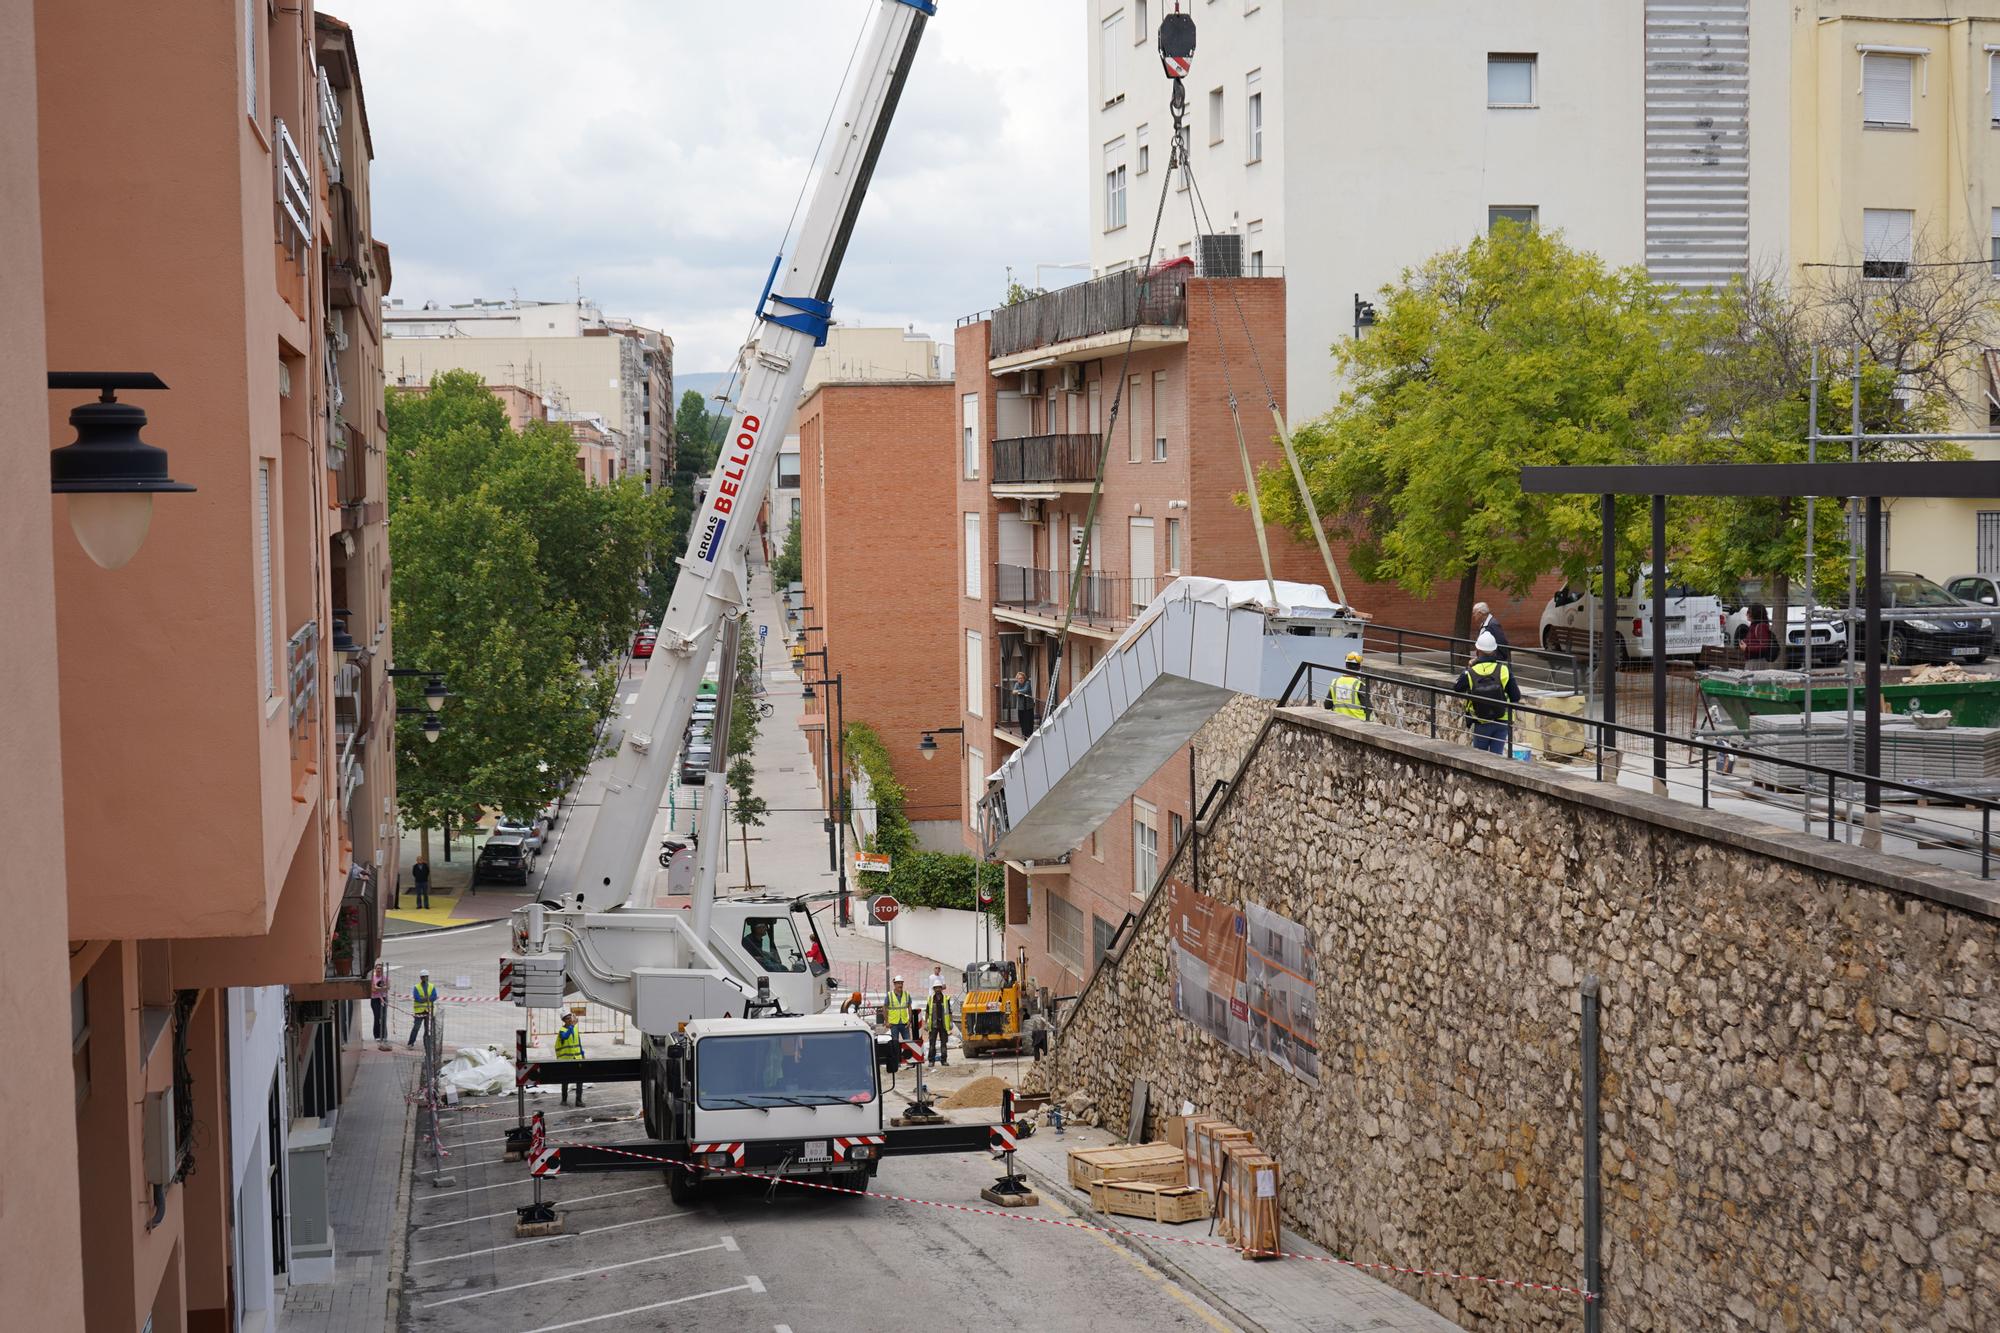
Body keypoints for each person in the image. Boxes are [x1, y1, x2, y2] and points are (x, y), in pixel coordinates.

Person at [1455, 632, 1522, 755]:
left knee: (1480, 758)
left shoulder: (1471, 672)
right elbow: (1516, 696)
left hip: (1481, 720)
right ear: (1494, 650)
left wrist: (1467, 668)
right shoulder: (1504, 670)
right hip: (1502, 720)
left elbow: (1457, 688)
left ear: (1477, 650)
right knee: (1496, 758)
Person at [1324, 650, 1372, 720]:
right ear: (1359, 667)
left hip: (1338, 720)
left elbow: (1327, 705)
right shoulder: (1359, 685)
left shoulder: (1335, 682)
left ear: (1346, 665)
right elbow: (1368, 708)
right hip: (1358, 722)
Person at [556, 1010, 585, 1106]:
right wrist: (572, 1026)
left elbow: (579, 1042)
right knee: (565, 1080)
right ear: (563, 1020)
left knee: (580, 1080)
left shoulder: (575, 1029)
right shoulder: (562, 1031)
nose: (569, 1020)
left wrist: (582, 1054)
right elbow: (565, 1036)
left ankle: (578, 1100)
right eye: (567, 1018)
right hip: (566, 1060)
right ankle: (564, 1100)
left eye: (570, 1018)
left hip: (577, 1058)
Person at [407, 968, 436, 1048]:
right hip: (419, 1011)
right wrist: (427, 998)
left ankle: (426, 1045)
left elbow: (434, 997)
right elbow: (417, 999)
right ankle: (410, 1043)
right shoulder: (416, 987)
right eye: (423, 977)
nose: (425, 978)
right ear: (421, 978)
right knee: (416, 1028)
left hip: (428, 1011)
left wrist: (425, 998)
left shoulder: (431, 986)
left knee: (428, 1029)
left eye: (426, 976)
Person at [925, 981, 952, 1067]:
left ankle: (943, 1060)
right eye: (936, 988)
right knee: (932, 1044)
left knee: (943, 1044)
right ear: (934, 989)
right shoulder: (930, 999)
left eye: (939, 987)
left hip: (943, 1025)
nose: (937, 989)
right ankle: (931, 1061)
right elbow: (927, 1011)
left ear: (941, 988)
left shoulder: (946, 999)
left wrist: (951, 1022)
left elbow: (949, 1012)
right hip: (933, 1025)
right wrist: (926, 1022)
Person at [884, 976, 913, 1042]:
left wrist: (909, 1020)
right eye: (898, 983)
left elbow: (909, 1007)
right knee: (895, 1044)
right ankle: (897, 1053)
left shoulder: (906, 994)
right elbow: (884, 1008)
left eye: (901, 983)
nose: (900, 985)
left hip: (904, 1023)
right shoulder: (889, 995)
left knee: (908, 1042)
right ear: (894, 984)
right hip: (893, 1024)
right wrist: (886, 1021)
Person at [369, 962, 390, 1049]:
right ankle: (377, 1035)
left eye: (380, 969)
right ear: (375, 969)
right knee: (377, 1017)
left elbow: (388, 987)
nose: (379, 970)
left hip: (383, 999)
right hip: (375, 1000)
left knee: (384, 1017)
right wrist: (382, 988)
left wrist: (380, 988)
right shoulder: (372, 978)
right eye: (377, 968)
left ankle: (384, 1035)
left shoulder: (385, 978)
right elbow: (373, 989)